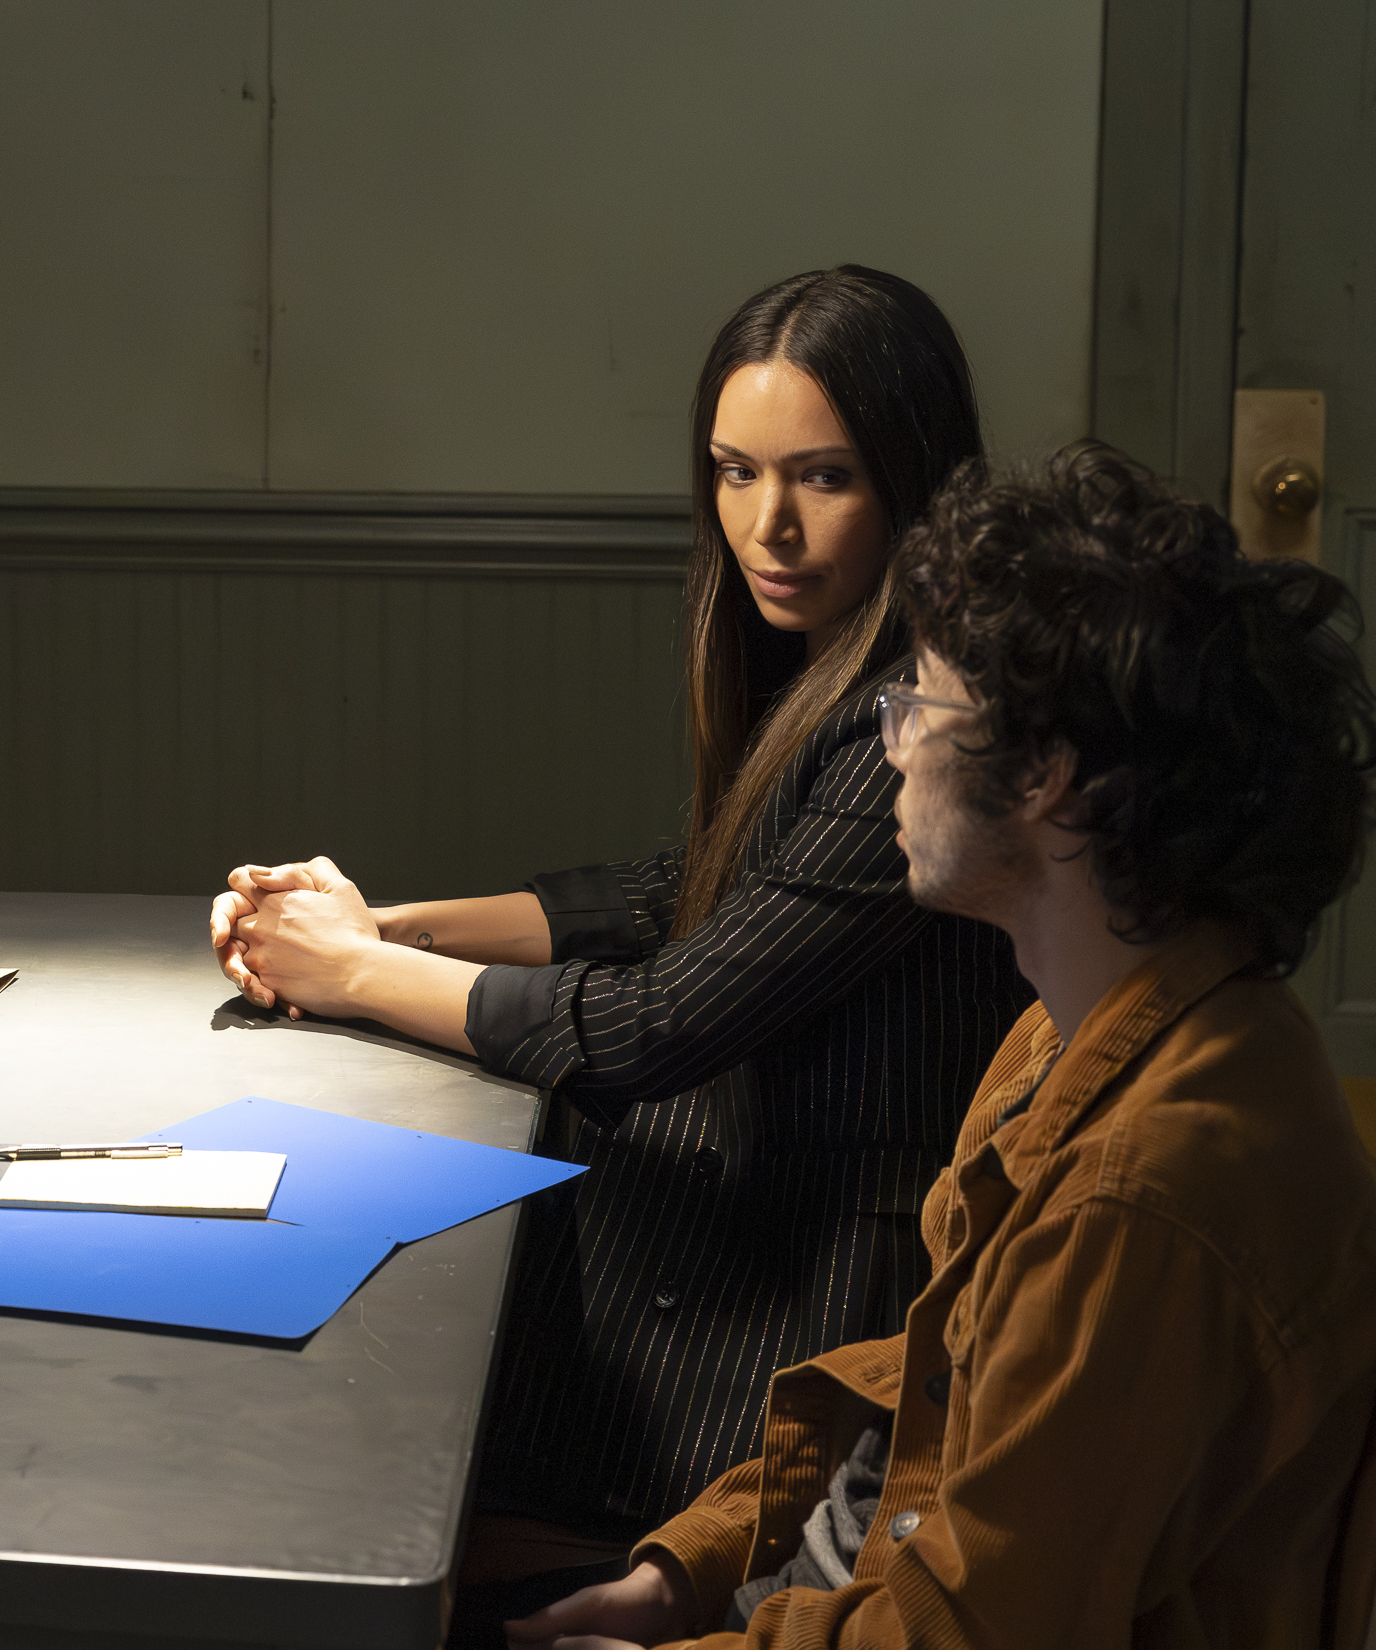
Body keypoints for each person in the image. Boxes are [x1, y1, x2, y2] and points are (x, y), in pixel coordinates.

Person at [211, 268, 1032, 1590]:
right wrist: (387, 925)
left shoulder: (919, 711)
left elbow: (662, 1026)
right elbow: (678, 889)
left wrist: (360, 969)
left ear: (915, 483)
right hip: (751, 1224)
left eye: (823, 477)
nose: (766, 524)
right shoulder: (825, 657)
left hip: (809, 1286)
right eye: (735, 472)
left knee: (344, 1405)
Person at [507, 442, 1376, 1649]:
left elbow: (967, 1631)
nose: (895, 744)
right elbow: (933, 1383)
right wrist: (685, 1568)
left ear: (1052, 778)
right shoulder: (1074, 1026)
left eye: (921, 702)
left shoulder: (1141, 1196)